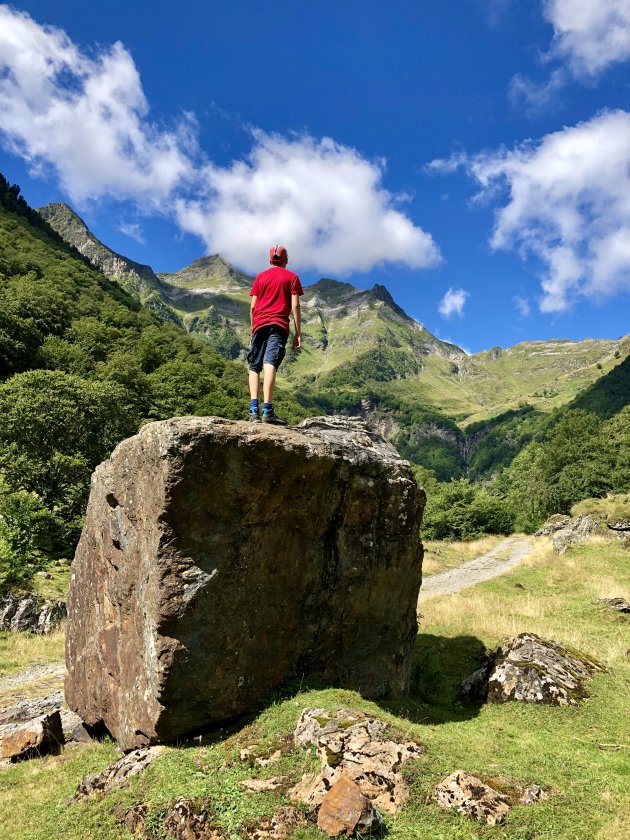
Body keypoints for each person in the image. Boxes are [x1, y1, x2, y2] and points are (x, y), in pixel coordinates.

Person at [247, 244, 303, 424]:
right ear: (285, 260)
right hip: (278, 325)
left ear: (270, 259)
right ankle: (267, 411)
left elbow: (253, 306)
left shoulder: (260, 277)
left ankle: (253, 411)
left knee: (254, 366)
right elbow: (295, 306)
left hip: (259, 324)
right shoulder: (292, 277)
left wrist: (253, 326)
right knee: (270, 363)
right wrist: (298, 333)